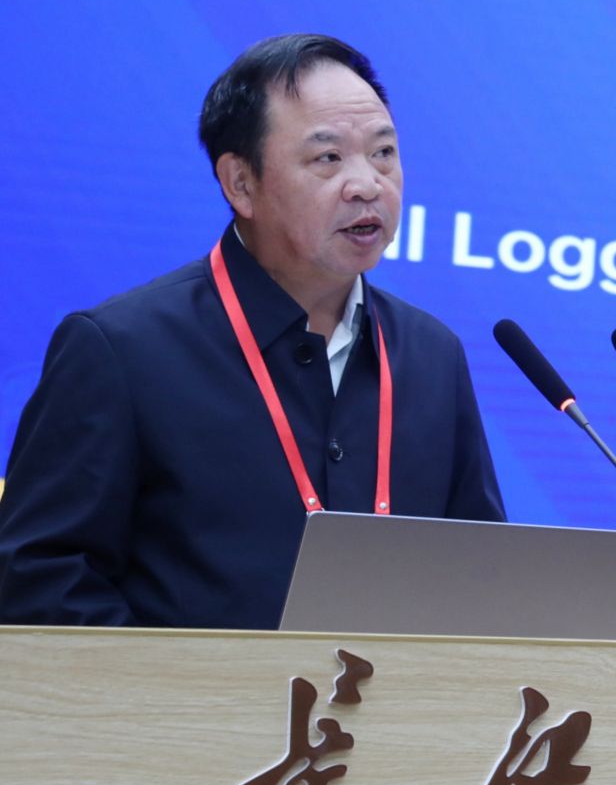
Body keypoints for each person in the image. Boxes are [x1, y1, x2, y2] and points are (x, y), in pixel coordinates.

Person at [0, 35, 504, 628]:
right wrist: (177, 683)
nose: (368, 184)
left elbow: (480, 575)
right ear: (240, 183)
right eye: (328, 158)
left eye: (384, 153)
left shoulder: (432, 354)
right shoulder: (122, 348)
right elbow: (41, 575)